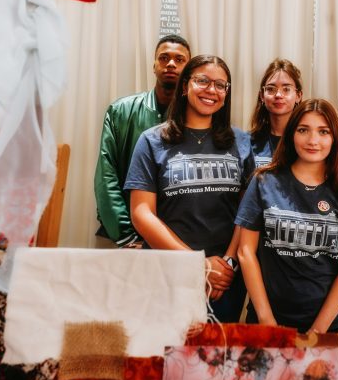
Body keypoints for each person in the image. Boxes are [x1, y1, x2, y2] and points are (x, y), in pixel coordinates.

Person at [124, 55, 253, 322]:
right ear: (185, 86)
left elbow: (248, 212)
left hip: (223, 279)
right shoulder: (151, 141)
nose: (211, 90)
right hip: (166, 271)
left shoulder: (241, 141)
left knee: (217, 347)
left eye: (220, 85)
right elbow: (141, 213)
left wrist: (227, 263)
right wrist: (196, 264)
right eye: (202, 81)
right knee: (162, 346)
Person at [236, 99, 338, 334]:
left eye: (323, 132)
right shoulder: (264, 181)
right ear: (291, 134)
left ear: (335, 138)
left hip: (327, 325)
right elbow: (246, 252)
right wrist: (266, 319)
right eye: (303, 130)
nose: (313, 140)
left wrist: (317, 331)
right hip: (267, 319)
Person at [94, 34, 191, 248]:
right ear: (154, 66)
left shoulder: (198, 117)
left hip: (180, 239)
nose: (171, 64)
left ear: (189, 70)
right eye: (164, 58)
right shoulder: (121, 111)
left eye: (179, 59)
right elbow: (106, 176)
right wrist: (127, 236)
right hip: (126, 238)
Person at [249, 59, 303, 168]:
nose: (278, 95)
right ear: (262, 95)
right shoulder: (248, 142)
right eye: (271, 89)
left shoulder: (306, 141)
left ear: (298, 95)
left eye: (286, 89)